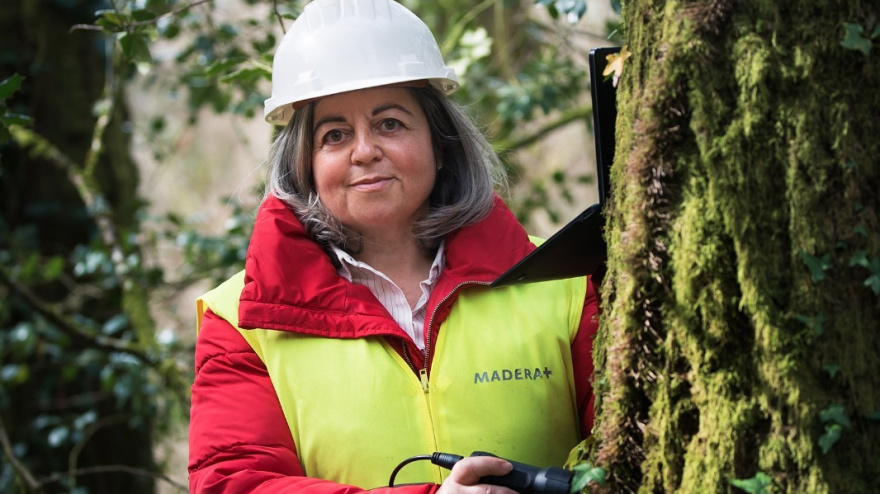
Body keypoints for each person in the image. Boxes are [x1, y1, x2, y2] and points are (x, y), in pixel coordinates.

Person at [187, 0, 600, 492]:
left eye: (390, 124)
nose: (365, 151)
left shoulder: (564, 278)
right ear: (305, 163)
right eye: (335, 135)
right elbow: (235, 483)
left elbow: (631, 439)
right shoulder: (241, 319)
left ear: (440, 143)